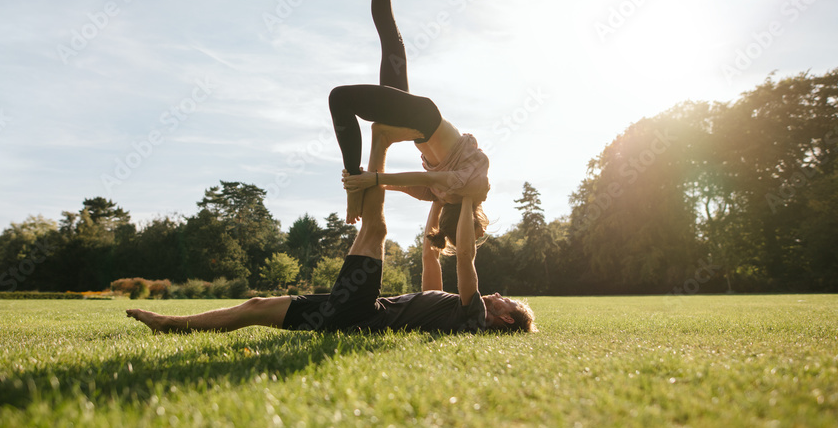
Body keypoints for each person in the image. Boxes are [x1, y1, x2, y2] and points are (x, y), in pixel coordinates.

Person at [126, 128, 535, 335]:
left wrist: (465, 197)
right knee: (256, 306)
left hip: (361, 313)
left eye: (506, 300)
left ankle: (380, 144)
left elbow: (465, 256)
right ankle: (172, 325)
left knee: (376, 228)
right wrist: (440, 197)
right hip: (350, 313)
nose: (497, 294)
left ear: (504, 319)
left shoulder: (472, 315)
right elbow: (432, 254)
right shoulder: (447, 303)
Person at [329, 0, 490, 257]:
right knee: (340, 98)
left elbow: (415, 186)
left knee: (392, 41)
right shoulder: (475, 187)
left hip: (414, 124)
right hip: (422, 118)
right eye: (469, 229)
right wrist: (366, 181)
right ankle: (351, 179)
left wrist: (380, 181)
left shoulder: (444, 197)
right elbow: (430, 179)